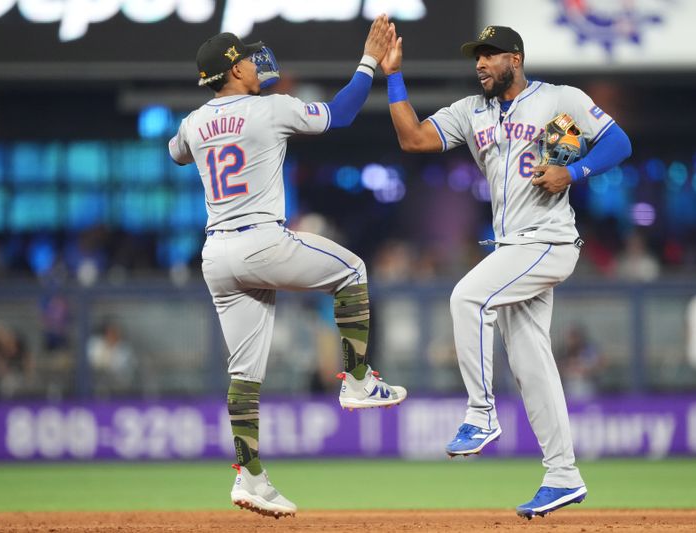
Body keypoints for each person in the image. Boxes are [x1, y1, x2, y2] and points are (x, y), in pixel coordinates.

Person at [378, 25, 631, 519]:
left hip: (548, 240)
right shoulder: (472, 112)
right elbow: (412, 138)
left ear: (515, 58)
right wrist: (393, 78)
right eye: (477, 56)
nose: (480, 63)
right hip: (514, 247)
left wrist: (574, 171)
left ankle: (480, 413)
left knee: (467, 298)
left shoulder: (558, 100)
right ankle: (563, 475)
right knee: (532, 363)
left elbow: (618, 142)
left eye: (490, 55)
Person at [167, 16, 407, 518]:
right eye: (245, 58)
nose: (256, 62)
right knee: (353, 270)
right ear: (233, 70)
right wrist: (368, 61)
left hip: (216, 256)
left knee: (244, 375)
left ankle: (250, 478)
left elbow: (177, 154)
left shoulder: (192, 122)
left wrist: (209, 122)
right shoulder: (268, 109)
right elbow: (339, 115)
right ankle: (359, 380)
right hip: (260, 239)